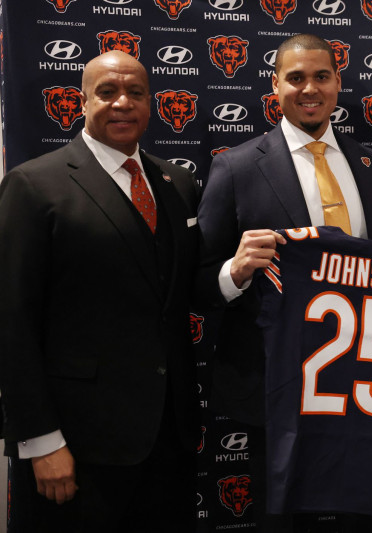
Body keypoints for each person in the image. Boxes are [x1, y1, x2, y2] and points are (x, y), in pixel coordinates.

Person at [195, 34, 372, 531]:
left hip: (360, 385)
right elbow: (197, 284)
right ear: (275, 86)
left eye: (321, 76)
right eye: (296, 77)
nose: (310, 89)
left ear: (337, 82)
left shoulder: (370, 167)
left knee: (359, 520)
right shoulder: (236, 167)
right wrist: (235, 271)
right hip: (275, 388)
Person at [0, 51, 200, 532]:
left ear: (150, 103)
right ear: (83, 101)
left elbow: (179, 294)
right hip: (75, 447)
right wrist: (41, 441)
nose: (122, 103)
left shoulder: (177, 183)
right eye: (107, 92)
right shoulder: (33, 185)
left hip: (168, 441)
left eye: (135, 92)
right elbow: (11, 322)